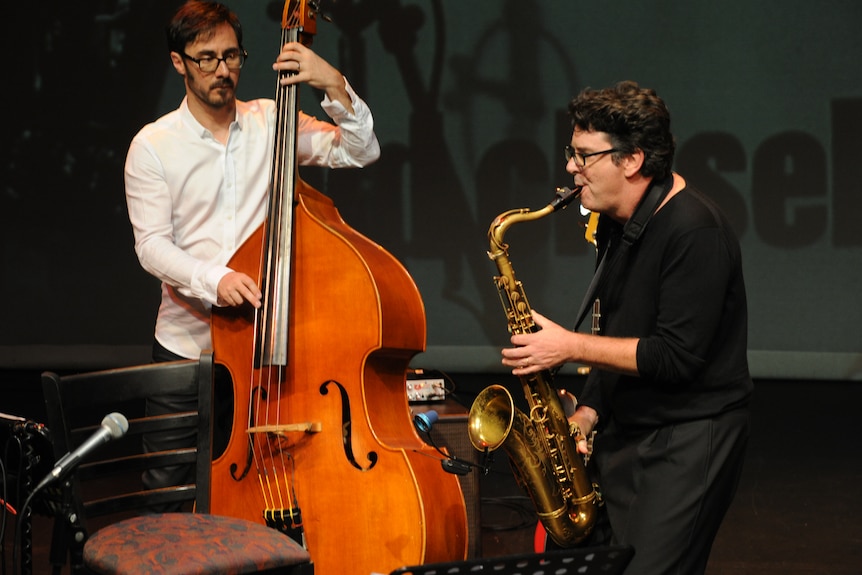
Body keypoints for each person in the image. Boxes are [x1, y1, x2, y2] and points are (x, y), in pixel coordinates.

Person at [124, 0, 380, 494]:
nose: (223, 70)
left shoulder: (272, 122)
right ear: (179, 62)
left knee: (261, 489)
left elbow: (360, 150)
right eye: (207, 58)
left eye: (232, 56)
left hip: (269, 352)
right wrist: (215, 279)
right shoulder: (153, 146)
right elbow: (152, 246)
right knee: (169, 495)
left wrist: (331, 82)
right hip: (188, 354)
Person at [501, 81, 752, 574]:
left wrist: (567, 346)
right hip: (628, 429)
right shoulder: (618, 219)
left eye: (584, 156)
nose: (571, 168)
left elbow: (676, 357)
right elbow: (618, 325)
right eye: (570, 153)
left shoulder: (695, 231)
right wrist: (588, 412)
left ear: (632, 160)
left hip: (689, 436)